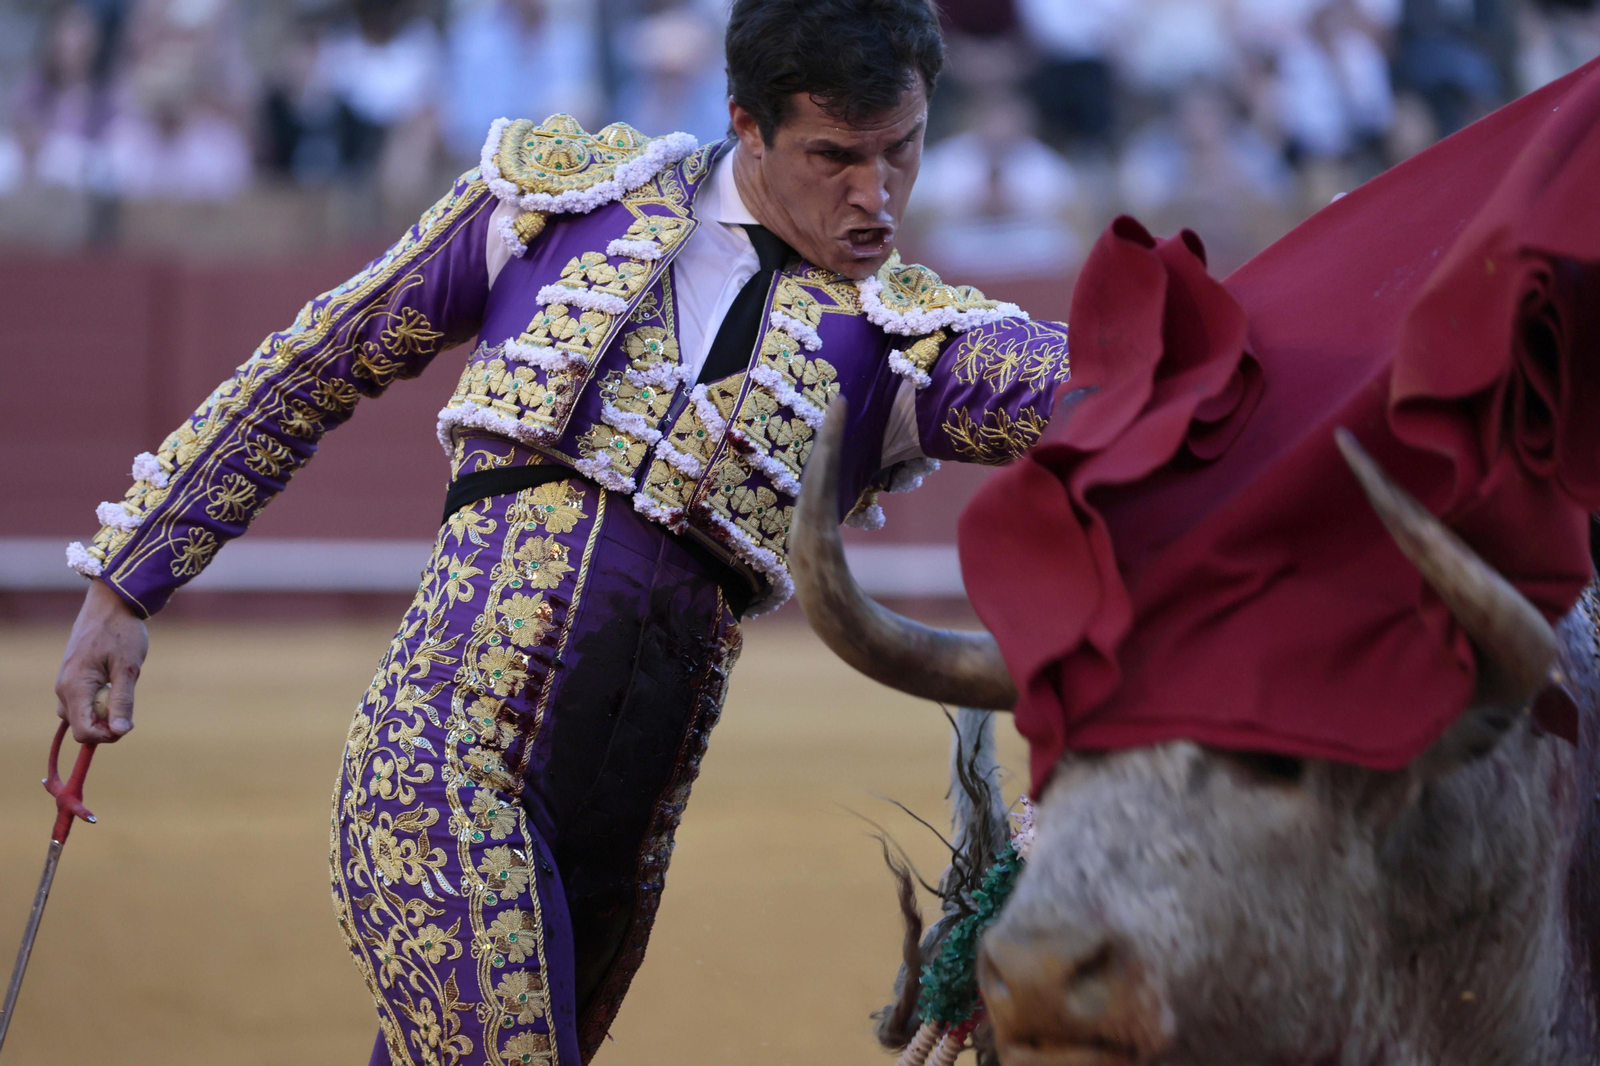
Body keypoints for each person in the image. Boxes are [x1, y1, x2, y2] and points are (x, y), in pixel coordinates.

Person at [51, 0, 1071, 1062]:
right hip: (445, 763)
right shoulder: (556, 205)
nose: (877, 193)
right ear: (746, 123)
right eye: (834, 156)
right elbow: (319, 361)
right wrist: (128, 583)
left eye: (901, 148)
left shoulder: (909, 341)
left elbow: (1109, 403)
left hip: (620, 838)